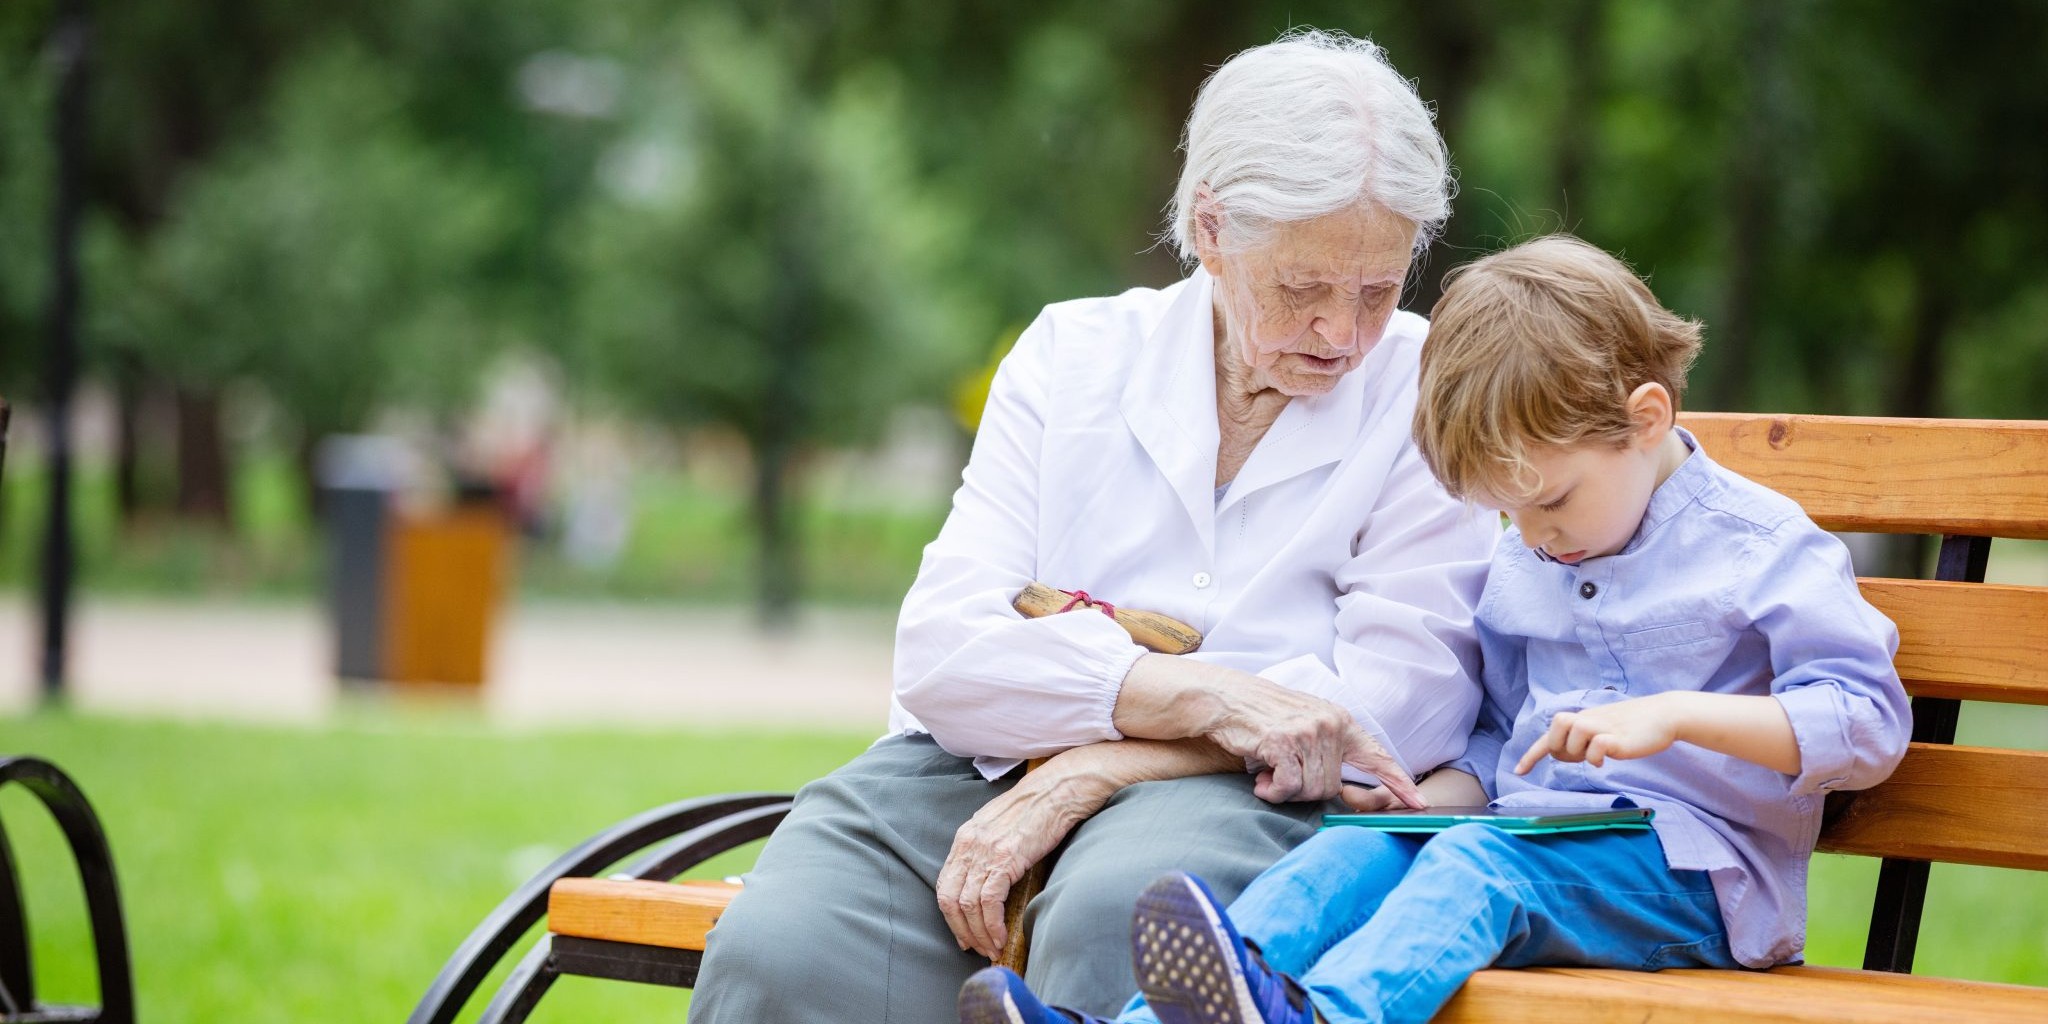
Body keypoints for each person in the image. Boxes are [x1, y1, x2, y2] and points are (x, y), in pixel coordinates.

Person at [686, 29, 1502, 1023]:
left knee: (1123, 919)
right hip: (966, 768)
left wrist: (1098, 763)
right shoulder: (1071, 353)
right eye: (1302, 289)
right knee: (782, 951)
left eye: (1378, 289)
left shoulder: (1428, 391)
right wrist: (1203, 696)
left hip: (1244, 798)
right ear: (1211, 230)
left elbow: (1390, 715)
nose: (1342, 334)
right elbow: (943, 652)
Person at [957, 234, 1912, 1024]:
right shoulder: (1531, 561)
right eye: (1512, 516)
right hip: (1530, 842)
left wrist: (1678, 717)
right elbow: (1499, 742)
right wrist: (1418, 795)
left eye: (1552, 502)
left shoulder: (1760, 549)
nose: (1536, 538)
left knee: (1473, 867)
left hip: (1694, 876)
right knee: (1368, 846)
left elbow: (1865, 718)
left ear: (1647, 417)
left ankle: (1325, 1019)